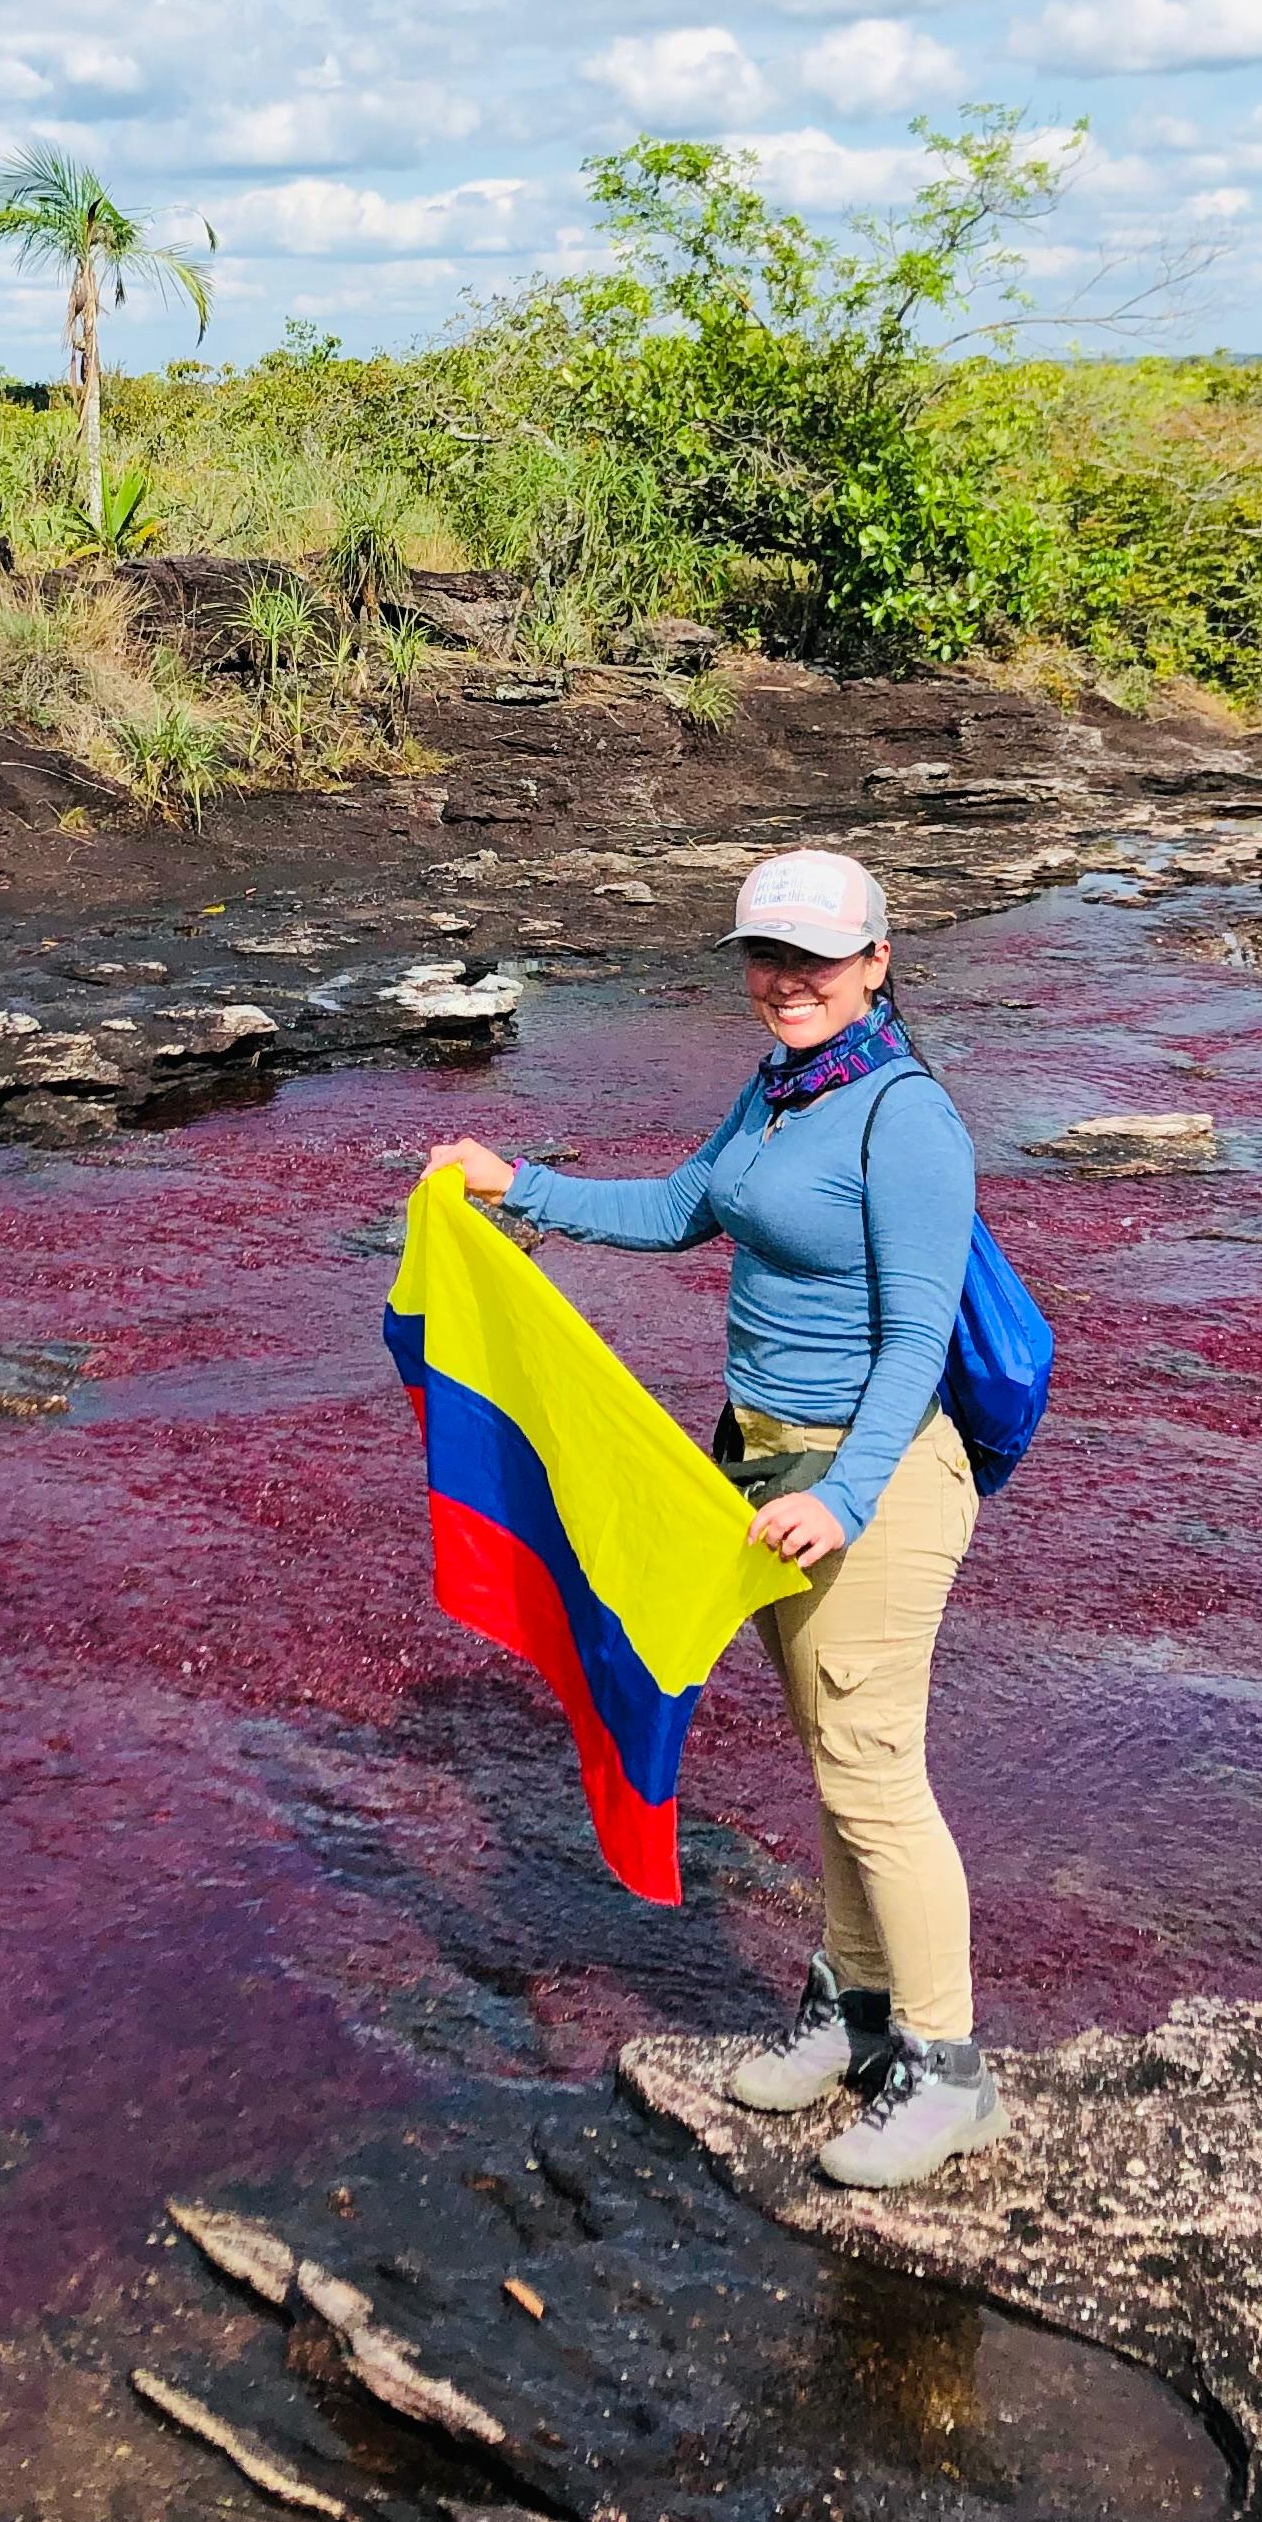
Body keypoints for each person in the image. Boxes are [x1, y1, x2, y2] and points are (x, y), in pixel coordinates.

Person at [427, 845, 1003, 2189]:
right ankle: (856, 2010)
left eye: (817, 958)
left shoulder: (907, 1117)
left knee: (873, 1772)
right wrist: (522, 1186)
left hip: (870, 1488)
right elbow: (687, 1206)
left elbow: (917, 1336)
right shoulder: (784, 1090)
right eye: (767, 955)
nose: (787, 980)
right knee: (836, 1761)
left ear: (877, 962)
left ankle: (949, 2070)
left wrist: (846, 1498)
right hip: (760, 1472)